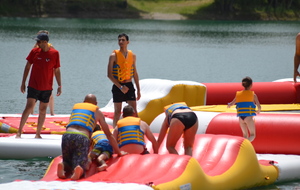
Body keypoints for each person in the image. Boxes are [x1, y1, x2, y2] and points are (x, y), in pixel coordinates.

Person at [57, 94, 126, 180]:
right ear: (96, 103)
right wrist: (119, 152)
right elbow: (109, 134)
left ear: (84, 102)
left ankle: (63, 165)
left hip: (67, 135)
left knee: (67, 160)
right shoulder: (97, 112)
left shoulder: (76, 108)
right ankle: (79, 171)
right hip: (82, 137)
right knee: (81, 164)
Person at [16, 33, 62, 138]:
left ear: (45, 42)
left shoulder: (55, 53)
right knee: (29, 107)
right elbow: (27, 67)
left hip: (47, 87)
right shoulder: (34, 52)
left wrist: (60, 85)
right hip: (33, 85)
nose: (36, 43)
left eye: (38, 41)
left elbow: (57, 69)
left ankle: (38, 134)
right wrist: (23, 82)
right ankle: (19, 132)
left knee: (42, 110)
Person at [107, 33, 141, 127]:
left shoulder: (132, 56)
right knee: (117, 112)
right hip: (118, 86)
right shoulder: (113, 56)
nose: (121, 42)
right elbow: (109, 75)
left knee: (134, 110)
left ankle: (136, 129)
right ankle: (115, 131)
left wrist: (138, 89)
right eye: (119, 40)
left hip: (129, 85)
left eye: (123, 40)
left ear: (128, 42)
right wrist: (121, 87)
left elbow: (135, 73)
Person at [227, 77, 261, 142]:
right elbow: (259, 107)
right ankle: (243, 145)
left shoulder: (238, 95)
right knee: (252, 135)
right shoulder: (253, 95)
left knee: (245, 136)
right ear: (251, 85)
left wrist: (229, 105)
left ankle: (243, 145)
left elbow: (231, 104)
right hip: (248, 117)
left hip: (240, 118)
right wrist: (258, 111)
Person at [31, 30, 55, 115]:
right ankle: (32, 112)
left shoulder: (50, 46)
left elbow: (54, 60)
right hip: (38, 72)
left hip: (48, 72)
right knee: (34, 94)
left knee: (49, 94)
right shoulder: (36, 47)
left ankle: (52, 112)